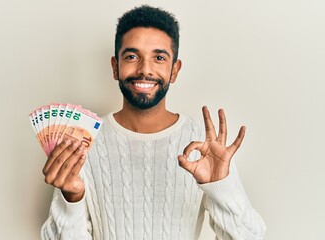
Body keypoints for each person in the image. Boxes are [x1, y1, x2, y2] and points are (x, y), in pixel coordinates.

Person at [41, 5, 266, 240]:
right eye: (131, 56)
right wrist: (72, 199)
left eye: (159, 58)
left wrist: (222, 187)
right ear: (115, 67)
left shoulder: (202, 145)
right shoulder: (84, 140)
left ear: (175, 70)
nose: (145, 69)